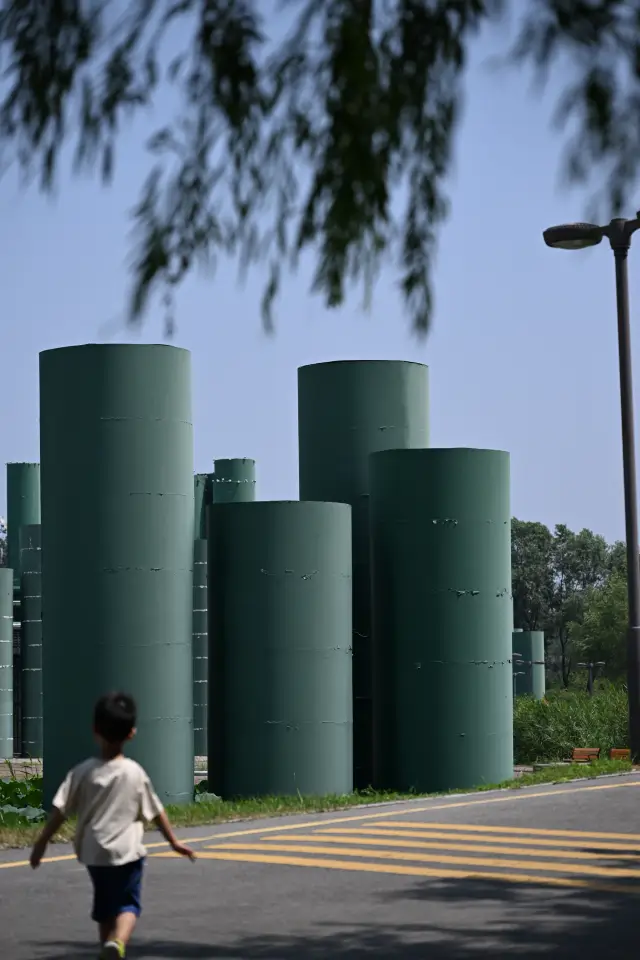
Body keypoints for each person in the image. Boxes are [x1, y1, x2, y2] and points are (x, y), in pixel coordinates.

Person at [29, 692, 196, 959]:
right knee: (128, 906)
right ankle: (118, 943)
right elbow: (156, 811)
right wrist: (174, 842)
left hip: (95, 853)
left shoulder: (82, 772)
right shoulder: (134, 772)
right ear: (132, 733)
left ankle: (105, 948)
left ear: (95, 730)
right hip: (127, 853)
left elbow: (60, 811)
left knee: (105, 907)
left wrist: (40, 843)